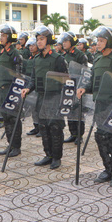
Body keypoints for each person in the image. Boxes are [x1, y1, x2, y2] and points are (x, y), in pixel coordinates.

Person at [77, 26, 112, 186]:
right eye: (97, 40)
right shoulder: (98, 59)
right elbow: (92, 80)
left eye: (101, 41)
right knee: (101, 138)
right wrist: (84, 88)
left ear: (110, 42)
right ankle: (107, 169)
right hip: (100, 105)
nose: (98, 43)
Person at [22, 26, 69, 170]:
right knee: (43, 127)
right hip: (41, 98)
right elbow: (33, 79)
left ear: (48, 40)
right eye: (37, 40)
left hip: (54, 98)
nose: (39, 42)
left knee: (55, 128)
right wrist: (28, 88)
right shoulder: (36, 59)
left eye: (41, 39)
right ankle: (48, 155)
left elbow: (66, 80)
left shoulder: (58, 59)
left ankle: (56, 157)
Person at [0, 25, 24, 157]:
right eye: (1, 35)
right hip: (2, 90)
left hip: (11, 90)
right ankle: (10, 144)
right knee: (6, 119)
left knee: (14, 119)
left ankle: (16, 147)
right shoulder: (2, 52)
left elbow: (19, 74)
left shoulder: (15, 53)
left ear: (9, 37)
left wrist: (16, 91)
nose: (1, 38)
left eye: (3, 35)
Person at [58, 31, 88, 144]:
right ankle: (73, 133)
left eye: (66, 41)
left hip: (77, 87)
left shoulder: (80, 55)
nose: (63, 43)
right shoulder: (63, 55)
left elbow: (85, 72)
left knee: (78, 112)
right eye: (63, 41)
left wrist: (81, 86)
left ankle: (79, 135)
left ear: (71, 42)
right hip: (67, 87)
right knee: (69, 110)